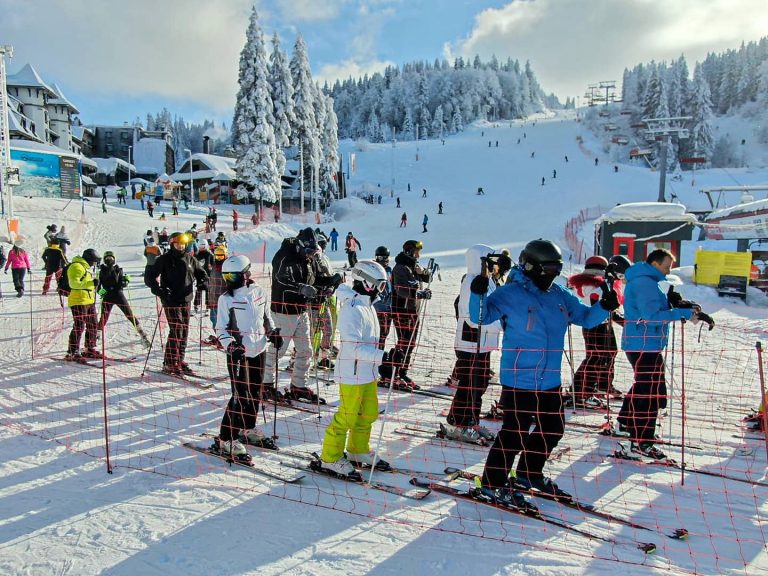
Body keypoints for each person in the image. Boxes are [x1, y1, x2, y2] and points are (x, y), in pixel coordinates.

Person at [469, 239, 619, 507]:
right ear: (530, 266)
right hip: (519, 378)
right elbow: (480, 317)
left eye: (555, 269)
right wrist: (477, 293)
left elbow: (585, 317)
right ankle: (492, 483)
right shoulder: (509, 294)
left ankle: (529, 472)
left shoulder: (558, 295)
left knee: (553, 427)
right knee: (513, 432)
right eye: (547, 269)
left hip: (549, 379)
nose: (551, 274)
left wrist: (604, 307)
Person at [616, 249, 715, 459]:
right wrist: (684, 313)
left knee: (647, 387)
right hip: (643, 343)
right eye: (666, 265)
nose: (669, 270)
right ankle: (641, 441)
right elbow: (651, 316)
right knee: (650, 392)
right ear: (654, 264)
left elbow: (659, 307)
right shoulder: (644, 283)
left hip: (644, 343)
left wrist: (679, 304)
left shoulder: (648, 281)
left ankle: (626, 423)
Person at [317, 260, 396, 478]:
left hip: (368, 372)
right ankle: (330, 457)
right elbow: (353, 349)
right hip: (352, 372)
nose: (382, 290)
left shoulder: (367, 305)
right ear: (366, 283)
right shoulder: (352, 309)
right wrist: (384, 357)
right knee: (347, 417)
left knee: (368, 413)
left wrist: (384, 359)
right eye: (379, 285)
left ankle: (357, 450)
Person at [212, 255, 283, 457]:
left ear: (246, 274)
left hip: (259, 350)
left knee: (255, 393)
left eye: (233, 276)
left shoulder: (259, 292)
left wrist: (273, 333)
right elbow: (221, 329)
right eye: (226, 276)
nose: (229, 280)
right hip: (239, 354)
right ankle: (226, 438)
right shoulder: (226, 299)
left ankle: (246, 428)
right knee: (239, 396)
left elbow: (266, 318)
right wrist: (231, 345)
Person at [441, 245, 509, 444]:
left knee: (480, 383)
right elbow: (472, 315)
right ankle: (459, 422)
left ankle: (471, 419)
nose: (493, 265)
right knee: (470, 383)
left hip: (484, 342)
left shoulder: (489, 281)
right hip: (470, 341)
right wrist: (496, 326)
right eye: (490, 261)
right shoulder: (471, 280)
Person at [265, 228, 342, 402]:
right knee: (278, 349)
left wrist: (331, 281)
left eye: (314, 252)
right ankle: (265, 383)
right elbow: (281, 278)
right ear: (300, 246)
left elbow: (315, 280)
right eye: (308, 251)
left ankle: (299, 385)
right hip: (284, 309)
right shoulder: (285, 255)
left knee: (305, 350)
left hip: (301, 310)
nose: (310, 255)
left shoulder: (309, 260)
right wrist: (300, 288)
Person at [145, 232, 208, 376]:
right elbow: (149, 277)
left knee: (184, 331)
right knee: (177, 329)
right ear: (172, 244)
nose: (180, 246)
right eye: (177, 243)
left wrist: (203, 282)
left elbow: (202, 274)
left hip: (186, 299)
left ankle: (179, 359)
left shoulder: (191, 259)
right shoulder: (164, 259)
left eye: (183, 244)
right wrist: (160, 291)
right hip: (170, 300)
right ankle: (170, 362)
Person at [567, 256, 626, 408]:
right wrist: (622, 320)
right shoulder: (594, 285)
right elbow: (602, 306)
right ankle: (581, 392)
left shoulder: (594, 283)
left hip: (601, 323)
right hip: (595, 324)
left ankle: (602, 384)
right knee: (595, 357)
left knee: (610, 352)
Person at [391, 239, 433, 389]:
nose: (418, 256)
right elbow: (401, 290)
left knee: (411, 342)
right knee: (404, 341)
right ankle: (394, 372)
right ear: (409, 251)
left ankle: (402, 372)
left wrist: (425, 272)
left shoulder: (412, 267)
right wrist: (419, 293)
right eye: (417, 252)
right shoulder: (400, 268)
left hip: (412, 311)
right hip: (402, 311)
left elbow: (427, 278)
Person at [97, 251, 150, 347]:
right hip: (108, 296)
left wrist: (125, 282)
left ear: (114, 259)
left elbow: (122, 281)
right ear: (104, 260)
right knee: (104, 317)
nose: (110, 260)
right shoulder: (101, 271)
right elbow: (97, 287)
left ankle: (142, 333)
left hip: (118, 294)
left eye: (111, 258)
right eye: (108, 258)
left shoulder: (118, 269)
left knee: (129, 314)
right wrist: (101, 292)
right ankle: (97, 335)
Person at [65, 248, 103, 362]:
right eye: (94, 261)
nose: (94, 264)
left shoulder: (85, 268)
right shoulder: (76, 266)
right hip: (78, 301)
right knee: (79, 326)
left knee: (93, 325)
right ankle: (72, 351)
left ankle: (89, 348)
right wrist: (91, 283)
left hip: (88, 301)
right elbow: (74, 283)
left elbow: (89, 286)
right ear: (89, 259)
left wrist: (101, 292)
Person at [205, 244, 229, 342]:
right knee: (213, 320)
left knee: (222, 322)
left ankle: (225, 339)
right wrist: (208, 300)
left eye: (221, 256)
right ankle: (220, 338)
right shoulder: (214, 267)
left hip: (222, 300)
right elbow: (211, 284)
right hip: (213, 299)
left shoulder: (227, 267)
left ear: (225, 256)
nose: (218, 258)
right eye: (217, 256)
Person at [372, 246, 393, 349]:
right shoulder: (374, 270)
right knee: (377, 334)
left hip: (388, 308)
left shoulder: (389, 270)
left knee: (384, 333)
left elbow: (392, 287)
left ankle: (379, 354)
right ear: (377, 258)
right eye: (382, 258)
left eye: (387, 257)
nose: (386, 260)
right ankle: (374, 355)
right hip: (378, 308)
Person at [193, 242, 214, 313]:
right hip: (199, 275)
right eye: (200, 247)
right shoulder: (197, 254)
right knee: (199, 290)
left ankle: (208, 305)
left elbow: (213, 263)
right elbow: (194, 265)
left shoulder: (209, 254)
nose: (201, 248)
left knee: (208, 290)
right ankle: (196, 305)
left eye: (203, 246)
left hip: (208, 275)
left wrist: (212, 270)